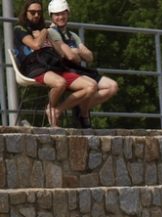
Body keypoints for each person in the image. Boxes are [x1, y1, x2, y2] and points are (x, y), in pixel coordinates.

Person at [13, 0, 96, 127]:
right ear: (25, 13)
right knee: (60, 83)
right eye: (33, 12)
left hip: (54, 65)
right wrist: (45, 32)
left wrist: (53, 39)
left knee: (91, 86)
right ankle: (51, 109)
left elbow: (61, 53)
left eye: (39, 12)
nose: (36, 15)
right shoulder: (20, 29)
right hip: (35, 68)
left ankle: (59, 110)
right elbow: (36, 45)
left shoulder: (44, 29)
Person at [47, 0, 118, 128]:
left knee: (112, 87)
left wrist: (77, 52)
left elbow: (89, 57)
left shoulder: (72, 35)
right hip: (64, 69)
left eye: (63, 13)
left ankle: (80, 108)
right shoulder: (51, 32)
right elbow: (70, 56)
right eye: (57, 14)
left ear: (68, 14)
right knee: (92, 86)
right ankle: (68, 112)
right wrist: (77, 53)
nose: (60, 17)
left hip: (78, 69)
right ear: (51, 16)